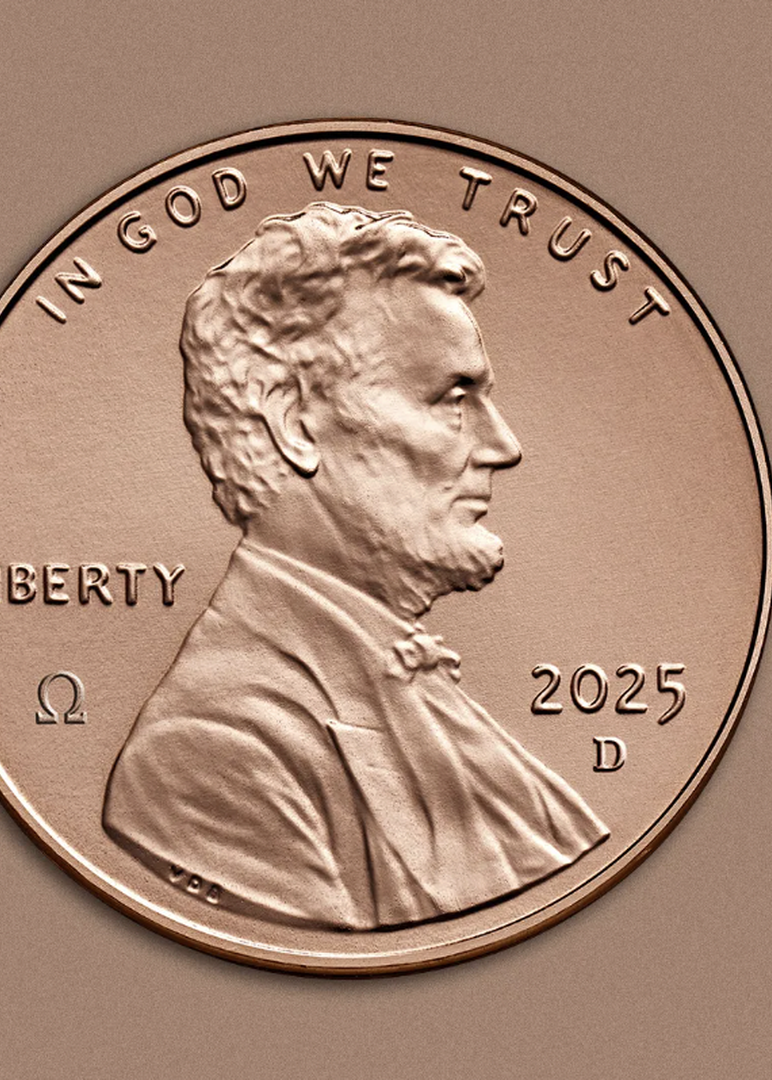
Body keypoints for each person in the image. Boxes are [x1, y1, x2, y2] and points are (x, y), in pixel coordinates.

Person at [102, 202, 608, 930]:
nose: (504, 445)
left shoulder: (411, 686)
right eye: (453, 398)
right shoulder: (213, 750)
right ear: (293, 422)